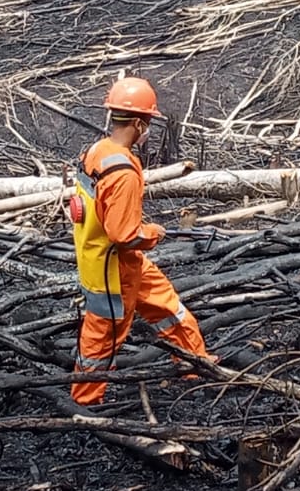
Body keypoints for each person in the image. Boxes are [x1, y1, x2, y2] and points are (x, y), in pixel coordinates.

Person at [69, 77, 212, 404]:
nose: (148, 128)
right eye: (147, 122)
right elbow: (124, 235)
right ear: (137, 122)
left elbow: (90, 210)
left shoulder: (97, 152)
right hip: (111, 271)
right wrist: (152, 233)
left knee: (169, 309)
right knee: (102, 338)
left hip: (117, 262)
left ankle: (196, 367)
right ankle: (85, 403)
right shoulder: (122, 173)